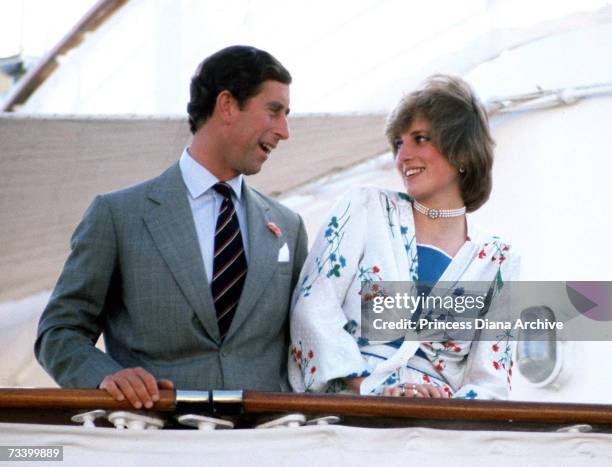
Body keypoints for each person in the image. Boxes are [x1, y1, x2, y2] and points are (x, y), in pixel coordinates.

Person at [35, 45, 308, 409]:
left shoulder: (288, 226)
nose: (284, 131)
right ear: (227, 105)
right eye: (274, 111)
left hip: (267, 444)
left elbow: (317, 330)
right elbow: (59, 332)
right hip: (155, 441)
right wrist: (104, 375)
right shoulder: (118, 216)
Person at [289, 75, 520, 399]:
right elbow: (312, 308)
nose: (403, 156)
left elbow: (492, 379)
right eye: (399, 144)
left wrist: (447, 406)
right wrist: (372, 388)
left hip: (437, 435)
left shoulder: (499, 260)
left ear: (462, 152)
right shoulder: (364, 208)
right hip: (350, 422)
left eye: (420, 139)